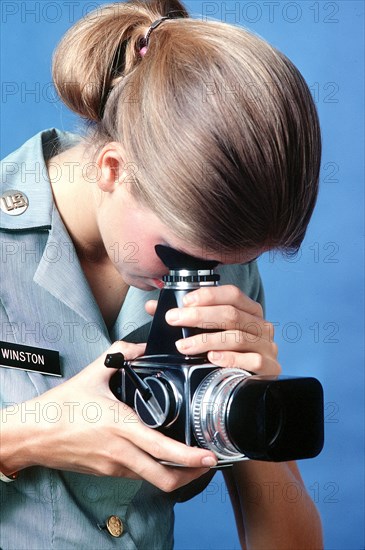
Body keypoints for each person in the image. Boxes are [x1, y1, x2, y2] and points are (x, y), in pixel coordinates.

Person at [0, 0, 323, 548]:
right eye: (185, 254)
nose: (206, 272)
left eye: (229, 257)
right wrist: (22, 438)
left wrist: (251, 403)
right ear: (112, 169)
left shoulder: (219, 259)